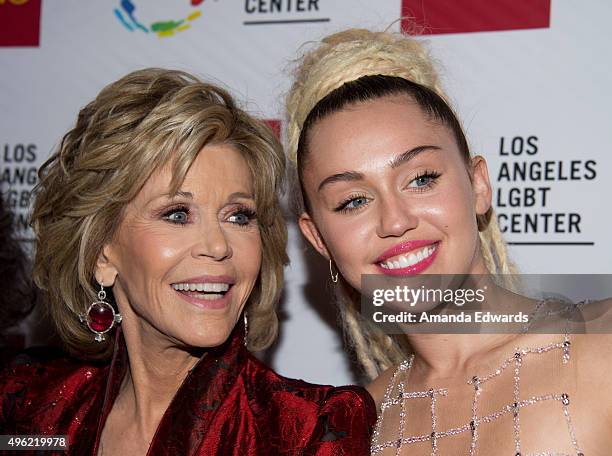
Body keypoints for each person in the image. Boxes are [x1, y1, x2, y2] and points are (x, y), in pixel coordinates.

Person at [0, 68, 376, 455]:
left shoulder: (308, 431)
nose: (217, 246)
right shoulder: (33, 409)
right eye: (177, 214)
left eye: (239, 216)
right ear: (100, 253)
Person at [286, 29, 612, 454]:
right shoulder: (354, 429)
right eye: (353, 201)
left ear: (478, 185)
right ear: (318, 239)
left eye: (421, 179)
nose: (396, 220)